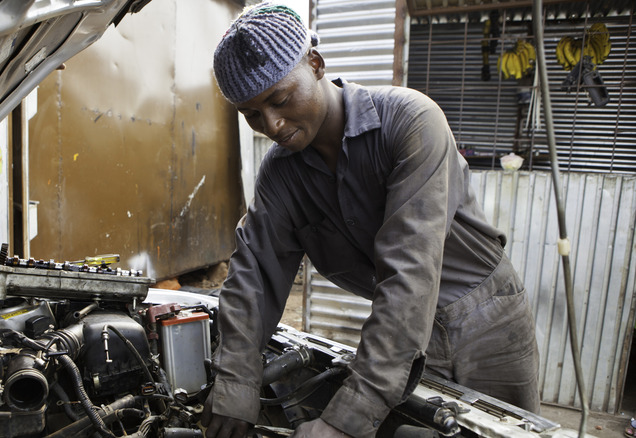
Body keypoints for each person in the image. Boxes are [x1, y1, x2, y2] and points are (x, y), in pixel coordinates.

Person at [200, 3, 540, 438]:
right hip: (401, 337)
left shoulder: (410, 123)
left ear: (316, 64)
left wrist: (344, 424)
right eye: (252, 115)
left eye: (280, 100)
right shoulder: (280, 177)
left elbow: (409, 276)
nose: (273, 124)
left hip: (488, 321)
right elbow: (254, 280)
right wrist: (235, 386)